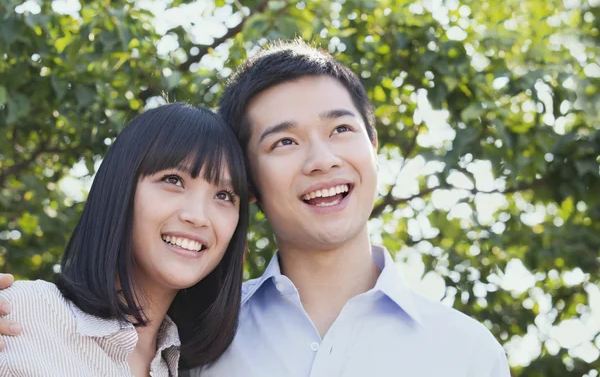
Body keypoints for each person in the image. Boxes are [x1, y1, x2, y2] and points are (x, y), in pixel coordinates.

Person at [0, 41, 510, 376]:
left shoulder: (468, 353)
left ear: (374, 144)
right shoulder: (198, 343)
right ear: (254, 185)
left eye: (341, 129)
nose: (322, 159)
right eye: (284, 142)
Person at [0, 103, 249, 376]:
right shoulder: (21, 312)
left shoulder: (188, 369)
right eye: (174, 180)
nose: (199, 217)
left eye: (224, 196)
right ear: (121, 187)